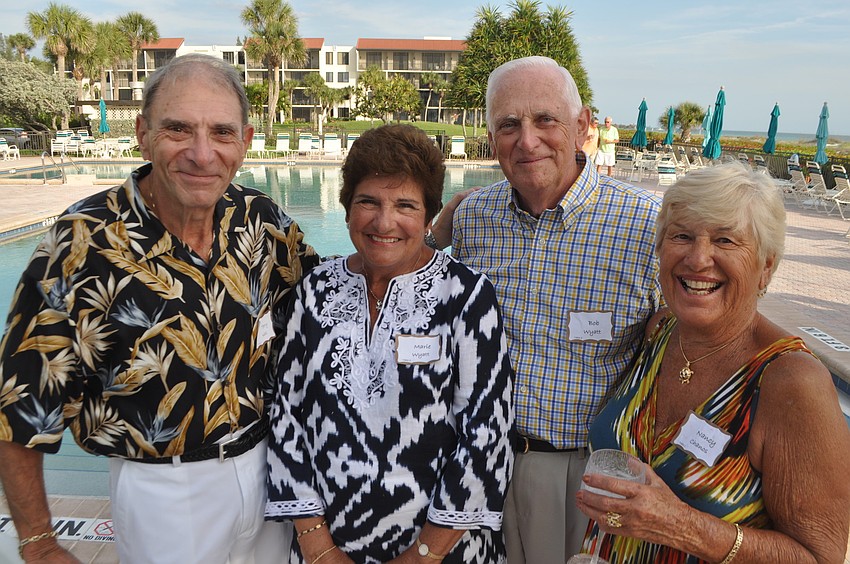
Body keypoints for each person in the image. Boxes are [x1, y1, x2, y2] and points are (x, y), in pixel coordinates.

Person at [0, 53, 319, 563]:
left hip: (268, 474)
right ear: (143, 134)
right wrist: (38, 543)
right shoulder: (82, 243)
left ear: (245, 141)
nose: (202, 153)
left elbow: (335, 298)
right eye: (178, 129)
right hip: (164, 493)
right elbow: (19, 402)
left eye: (221, 132)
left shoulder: (263, 222)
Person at [575, 161, 850, 563]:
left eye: (725, 240)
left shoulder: (792, 381)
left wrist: (682, 526)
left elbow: (818, 556)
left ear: (765, 266)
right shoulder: (661, 331)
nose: (698, 259)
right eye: (682, 236)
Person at [265, 124, 514, 563]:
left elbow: (486, 436)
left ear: (429, 216)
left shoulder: (466, 296)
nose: (384, 222)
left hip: (444, 548)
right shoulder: (316, 290)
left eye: (405, 205)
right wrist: (318, 546)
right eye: (368, 202)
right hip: (327, 546)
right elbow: (286, 414)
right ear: (346, 209)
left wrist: (423, 555)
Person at [451, 56, 662, 563]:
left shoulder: (647, 226)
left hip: (588, 475)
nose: (527, 141)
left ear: (582, 126)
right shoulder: (471, 218)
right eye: (509, 125)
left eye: (546, 119)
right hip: (479, 464)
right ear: (491, 137)